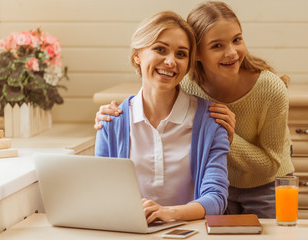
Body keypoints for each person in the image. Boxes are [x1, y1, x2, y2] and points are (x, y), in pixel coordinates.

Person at [94, 1, 295, 219]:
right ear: (197, 56)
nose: (231, 52)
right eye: (217, 45)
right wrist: (118, 116)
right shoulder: (188, 84)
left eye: (236, 40)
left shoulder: (267, 89)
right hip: (217, 186)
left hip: (263, 183)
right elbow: (157, 87)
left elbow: (268, 167)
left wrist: (227, 136)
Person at [95, 10, 230, 224]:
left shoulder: (210, 122)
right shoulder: (111, 122)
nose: (170, 61)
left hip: (190, 234)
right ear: (137, 55)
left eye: (181, 54)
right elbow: (102, 194)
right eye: (160, 49)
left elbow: (216, 198)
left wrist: (168, 213)